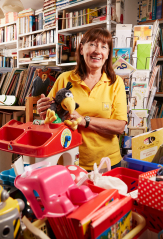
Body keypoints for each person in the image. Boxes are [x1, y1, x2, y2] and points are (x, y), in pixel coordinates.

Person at [36, 28, 128, 171]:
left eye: (103, 47)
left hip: (106, 162)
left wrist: (83, 120)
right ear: (81, 49)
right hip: (67, 159)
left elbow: (119, 126)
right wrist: (44, 112)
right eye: (92, 44)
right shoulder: (64, 79)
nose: (97, 51)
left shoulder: (116, 83)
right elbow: (51, 118)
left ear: (108, 54)